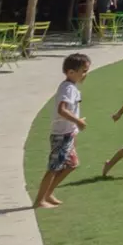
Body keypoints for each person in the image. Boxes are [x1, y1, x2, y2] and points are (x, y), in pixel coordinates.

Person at [34, 52, 92, 209]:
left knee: (72, 164)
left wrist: (75, 127)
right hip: (61, 135)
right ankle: (40, 200)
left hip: (69, 134)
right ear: (71, 72)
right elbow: (62, 110)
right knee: (54, 168)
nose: (85, 74)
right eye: (83, 71)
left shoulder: (72, 87)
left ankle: (49, 193)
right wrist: (77, 121)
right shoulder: (68, 88)